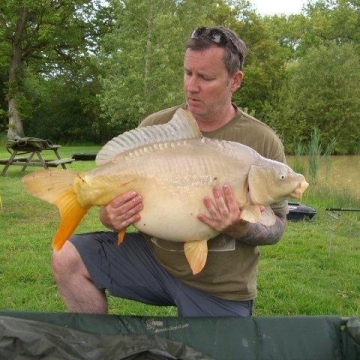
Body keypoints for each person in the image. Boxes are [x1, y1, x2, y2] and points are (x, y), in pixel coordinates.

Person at [52, 26, 288, 317]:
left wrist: (240, 227)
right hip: (152, 261)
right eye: (188, 73)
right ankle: (97, 346)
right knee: (66, 258)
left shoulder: (261, 141)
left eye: (205, 77)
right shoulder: (157, 126)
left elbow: (277, 226)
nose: (191, 86)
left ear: (234, 81)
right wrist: (111, 216)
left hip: (219, 285)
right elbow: (115, 201)